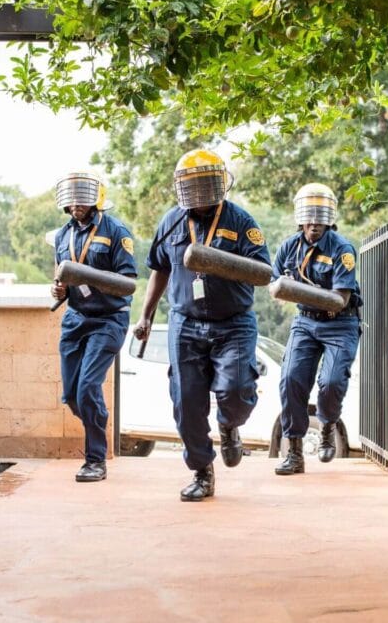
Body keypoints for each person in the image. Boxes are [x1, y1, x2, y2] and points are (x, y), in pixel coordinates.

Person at [134, 149, 270, 502]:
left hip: (233, 323)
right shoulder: (171, 222)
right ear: (182, 188)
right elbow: (159, 269)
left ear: (219, 183)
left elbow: (261, 273)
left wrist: (219, 263)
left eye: (205, 184)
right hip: (185, 322)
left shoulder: (242, 222)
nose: (198, 193)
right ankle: (202, 471)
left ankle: (229, 425)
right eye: (191, 186)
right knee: (186, 401)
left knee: (237, 393)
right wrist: (146, 315)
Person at [51, 172, 137, 483]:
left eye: (82, 198)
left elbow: (128, 283)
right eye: (71, 199)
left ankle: (95, 460)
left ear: (95, 199)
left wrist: (91, 278)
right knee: (73, 396)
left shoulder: (116, 232)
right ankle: (97, 417)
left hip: (108, 319)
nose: (76, 204)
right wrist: (60, 291)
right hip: (75, 319)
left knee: (88, 387)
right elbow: (60, 278)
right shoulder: (62, 236)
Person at [272, 183, 362, 475]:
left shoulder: (342, 250)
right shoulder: (289, 247)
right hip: (306, 321)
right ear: (301, 218)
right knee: (290, 380)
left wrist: (293, 289)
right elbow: (274, 283)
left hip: (340, 322)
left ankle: (327, 425)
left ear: (328, 219)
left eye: (319, 218)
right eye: (308, 218)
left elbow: (341, 299)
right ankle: (295, 453)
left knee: (332, 382)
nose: (313, 224)